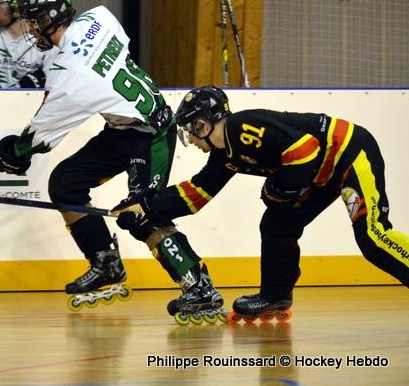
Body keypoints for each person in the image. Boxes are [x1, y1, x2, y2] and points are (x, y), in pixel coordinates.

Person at [0, 0, 225, 321]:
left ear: (48, 19)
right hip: (122, 130)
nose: (30, 30)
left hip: (151, 134)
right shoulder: (98, 19)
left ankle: (199, 286)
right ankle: (106, 263)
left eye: (33, 21)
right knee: (65, 184)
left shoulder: (70, 75)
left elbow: (40, 134)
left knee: (142, 213)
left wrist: (15, 152)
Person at [113, 85, 409, 320]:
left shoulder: (242, 127)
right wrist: (146, 208)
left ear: (202, 125)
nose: (189, 139)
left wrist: (283, 189)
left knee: (372, 237)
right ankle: (275, 296)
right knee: (276, 225)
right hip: (318, 171)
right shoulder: (224, 154)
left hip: (348, 153)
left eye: (190, 129)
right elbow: (198, 193)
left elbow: (305, 149)